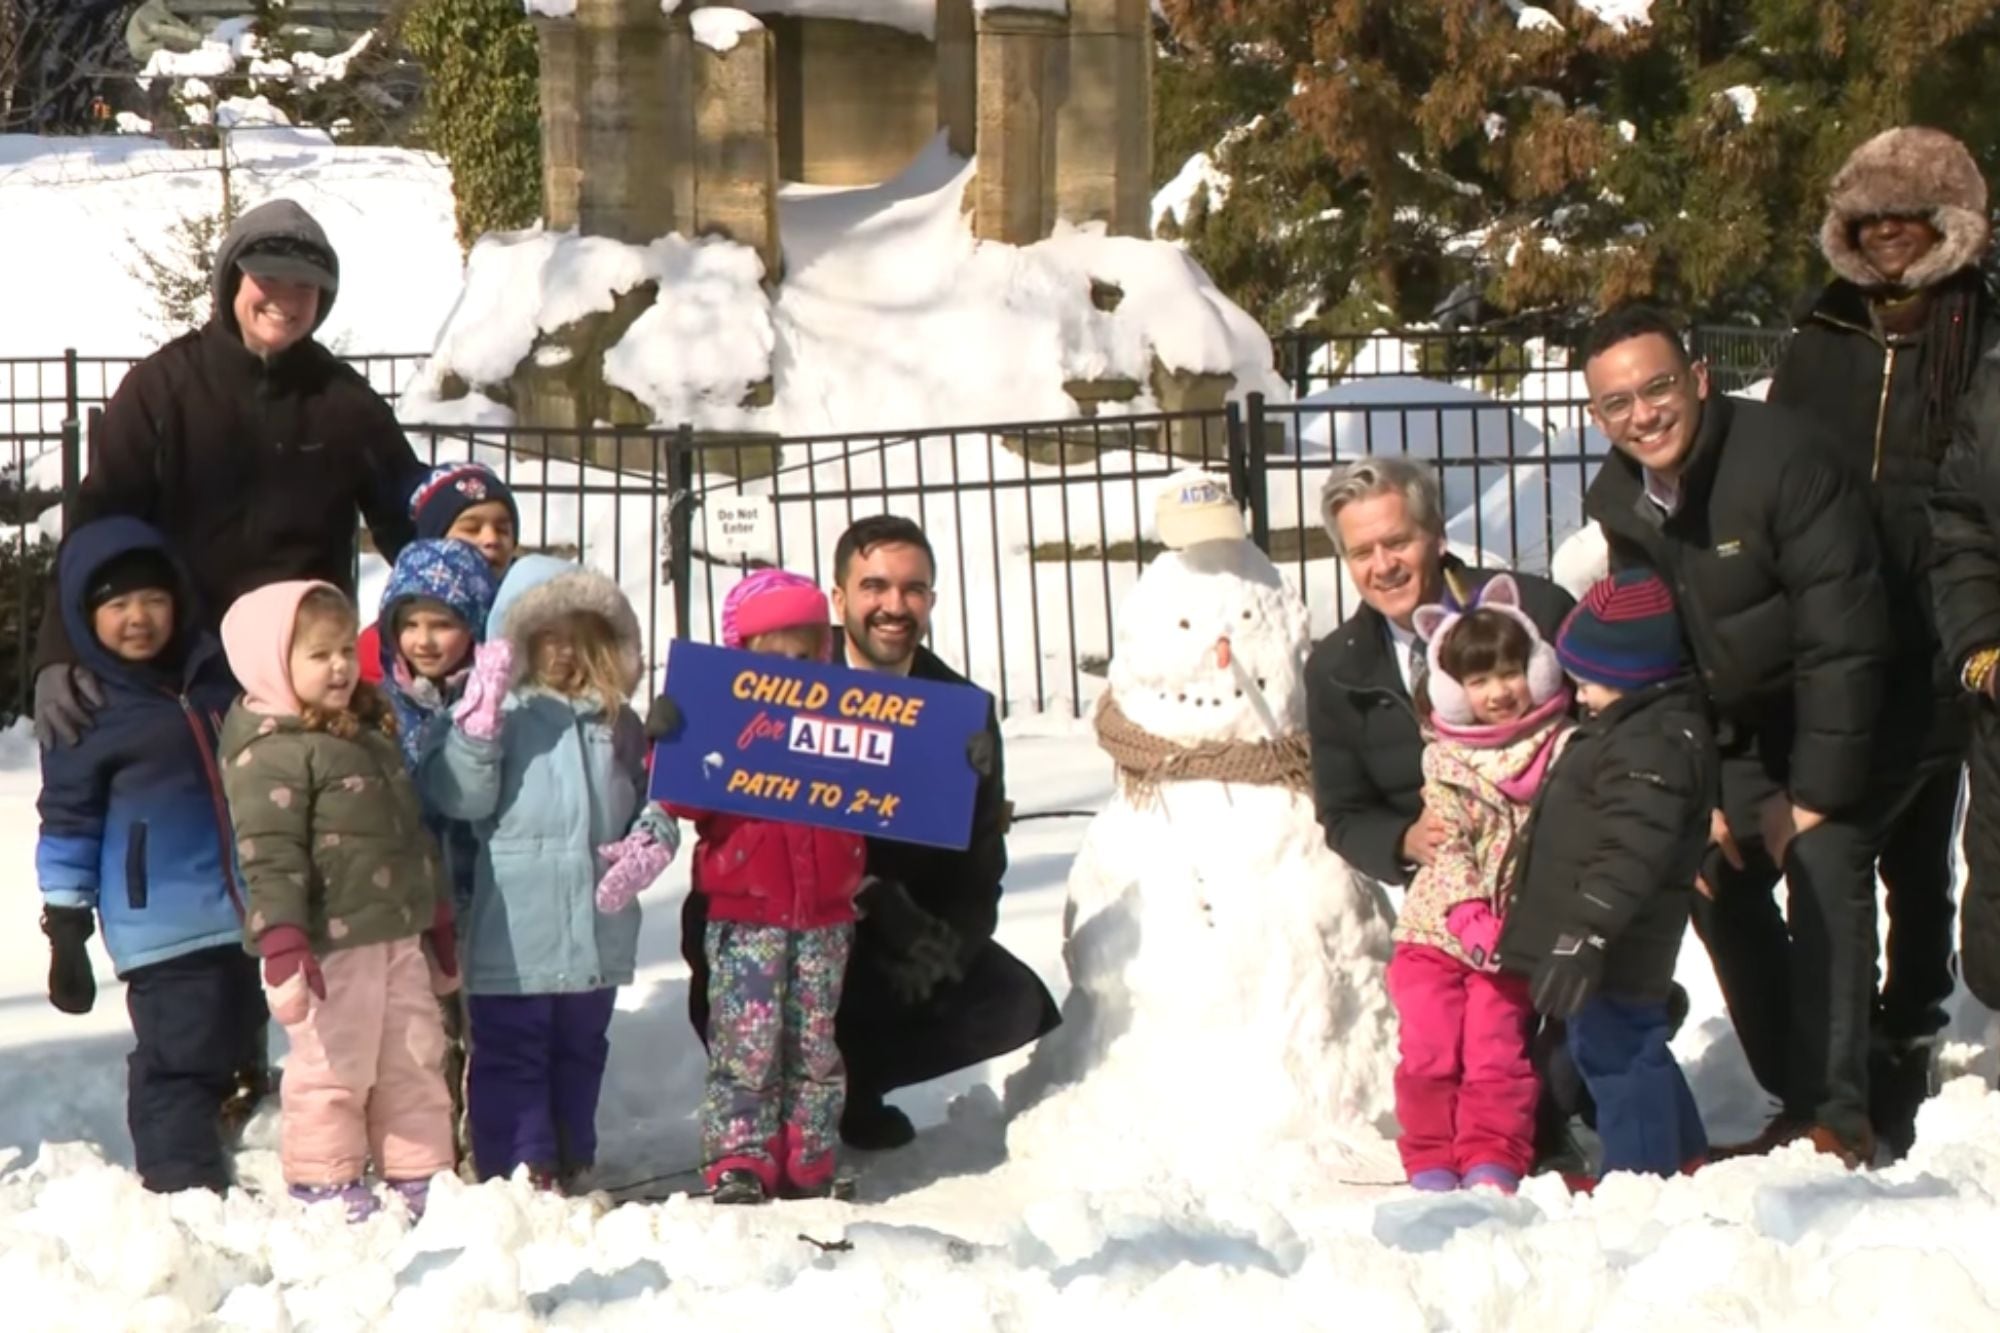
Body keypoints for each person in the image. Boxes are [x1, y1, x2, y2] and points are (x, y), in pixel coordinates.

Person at [1580, 304, 1893, 1167]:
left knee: (1824, 863)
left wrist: (1815, 797)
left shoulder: (1785, 461)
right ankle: (1797, 1095)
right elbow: (1656, 658)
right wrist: (1709, 792)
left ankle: (1841, 1115)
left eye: (1657, 387)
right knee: (1719, 877)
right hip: (1743, 728)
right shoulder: (1621, 498)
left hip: (1859, 707)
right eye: (1617, 403)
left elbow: (1846, 639)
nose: (1642, 414)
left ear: (1699, 380)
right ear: (1596, 416)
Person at [668, 516, 1060, 1152]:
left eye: (913, 589)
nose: (894, 605)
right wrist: (676, 732)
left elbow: (980, 861)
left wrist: (949, 946)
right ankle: (762, 1111)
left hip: (886, 948)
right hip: (768, 924)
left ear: (931, 600)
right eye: (875, 586)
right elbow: (700, 802)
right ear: (840, 597)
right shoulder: (779, 668)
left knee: (1010, 999)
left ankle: (850, 1091)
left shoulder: (958, 710)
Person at [1771, 127, 1997, 1154]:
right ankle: (1847, 1034)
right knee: (1841, 828)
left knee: (1919, 847)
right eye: (1872, 221)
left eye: (1911, 218)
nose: (1892, 237)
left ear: (1949, 225)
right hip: (1834, 626)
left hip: (1940, 623)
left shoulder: (1976, 329)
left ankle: (1907, 1021)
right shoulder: (1822, 331)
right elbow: (1778, 460)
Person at [36, 198, 423, 747]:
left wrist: (457, 619)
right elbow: (97, 525)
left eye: (305, 287)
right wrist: (60, 649)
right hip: (180, 677)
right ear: (231, 280)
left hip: (302, 685)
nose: (286, 300)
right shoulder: (161, 389)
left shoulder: (344, 403)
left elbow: (411, 521)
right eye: (269, 279)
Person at [1302, 457, 1586, 1164]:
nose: (1383, 564)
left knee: (1554, 1070)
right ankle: (1454, 1152)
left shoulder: (1531, 610)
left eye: (1397, 541)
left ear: (1434, 535)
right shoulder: (1338, 667)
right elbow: (1342, 809)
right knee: (1452, 1043)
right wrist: (1405, 838)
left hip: (1558, 881)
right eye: (1361, 551)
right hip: (1453, 904)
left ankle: (1563, 1088)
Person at [421, 555, 664, 1190]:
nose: (561, 652)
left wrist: (653, 838)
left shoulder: (618, 725)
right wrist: (477, 729)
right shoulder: (500, 718)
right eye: (545, 636)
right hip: (515, 934)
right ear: (517, 640)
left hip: (598, 928)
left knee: (580, 1049)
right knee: (512, 1053)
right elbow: (459, 798)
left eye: (577, 636)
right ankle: (520, 1168)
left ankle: (571, 1151)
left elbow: (650, 800)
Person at [217, 581, 457, 1220]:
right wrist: (283, 941)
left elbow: (408, 834)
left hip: (395, 933)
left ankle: (419, 1169)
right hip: (331, 943)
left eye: (347, 650)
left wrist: (434, 916)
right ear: (274, 662)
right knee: (333, 1065)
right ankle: (325, 1181)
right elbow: (268, 854)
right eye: (319, 655)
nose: (341, 666)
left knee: (414, 1054)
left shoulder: (367, 731)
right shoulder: (271, 751)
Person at [34, 518, 257, 1195]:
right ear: (86, 614)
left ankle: (240, 1147)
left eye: (153, 599)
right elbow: (68, 823)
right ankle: (180, 1184)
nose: (138, 617)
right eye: (117, 604)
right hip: (161, 925)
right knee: (178, 1061)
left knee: (244, 1042)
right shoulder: (88, 710)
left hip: (246, 912)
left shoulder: (218, 678)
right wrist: (66, 928)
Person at [644, 570, 867, 1205]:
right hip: (747, 913)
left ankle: (809, 1153)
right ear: (742, 657)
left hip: (825, 914)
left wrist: (951, 758)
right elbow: (680, 796)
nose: (794, 669)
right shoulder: (721, 719)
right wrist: (671, 740)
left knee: (815, 1041)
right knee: (746, 1041)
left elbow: (896, 783)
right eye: (775, 656)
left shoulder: (842, 722)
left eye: (806, 654)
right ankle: (741, 1154)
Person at [1500, 571, 1718, 1184]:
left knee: (1617, 1056)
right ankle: (1685, 1153)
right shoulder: (1633, 733)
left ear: (1632, 676)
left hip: (1617, 941)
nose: (1580, 693)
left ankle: (1642, 1177)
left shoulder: (1649, 747)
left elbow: (1627, 855)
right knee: (1635, 1046)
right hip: (1610, 937)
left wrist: (1585, 936)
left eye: (1590, 680)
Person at [1388, 578, 1571, 1194]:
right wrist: (1466, 909)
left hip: (1512, 941)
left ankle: (1494, 1158)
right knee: (1431, 1052)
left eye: (1511, 672)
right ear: (1454, 692)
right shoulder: (1444, 759)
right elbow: (1449, 842)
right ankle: (1432, 1161)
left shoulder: (1562, 748)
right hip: (1436, 935)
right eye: (1478, 681)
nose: (1498, 692)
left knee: (1499, 1055)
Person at [373, 537, 500, 1172]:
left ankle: (486, 1133)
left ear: (473, 624)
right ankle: (426, 1139)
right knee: (419, 1026)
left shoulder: (492, 693)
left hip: (480, 886)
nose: (424, 640)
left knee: (481, 1019)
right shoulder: (377, 702)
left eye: (442, 623)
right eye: (411, 623)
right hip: (408, 893)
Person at [358, 462, 521, 687]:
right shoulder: (383, 647)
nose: (490, 539)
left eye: (503, 530)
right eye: (472, 529)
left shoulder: (530, 622)